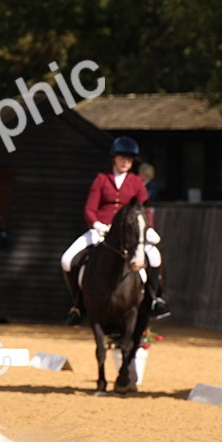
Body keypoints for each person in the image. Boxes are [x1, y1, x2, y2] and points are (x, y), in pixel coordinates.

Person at [60, 136, 170, 325]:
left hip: (131, 234)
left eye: (129, 158)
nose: (126, 161)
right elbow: (89, 209)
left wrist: (149, 228)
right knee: (67, 260)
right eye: (122, 157)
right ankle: (77, 305)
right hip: (102, 229)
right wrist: (96, 224)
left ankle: (154, 299)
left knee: (155, 257)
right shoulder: (102, 179)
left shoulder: (136, 182)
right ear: (114, 158)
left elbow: (144, 208)